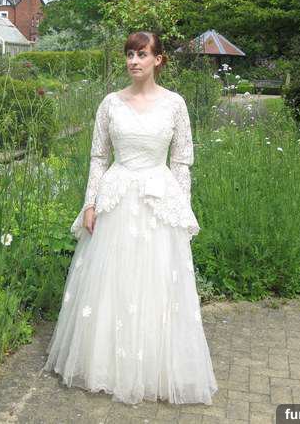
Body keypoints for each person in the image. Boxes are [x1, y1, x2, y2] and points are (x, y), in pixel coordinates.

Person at [42, 31, 218, 405]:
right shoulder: (110, 103)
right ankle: (106, 364)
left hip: (158, 199)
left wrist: (182, 209)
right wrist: (90, 204)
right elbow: (98, 157)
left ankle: (155, 368)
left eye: (141, 54)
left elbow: (181, 161)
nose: (133, 61)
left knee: (157, 281)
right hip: (117, 197)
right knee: (113, 281)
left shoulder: (175, 104)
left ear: (158, 59)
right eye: (129, 54)